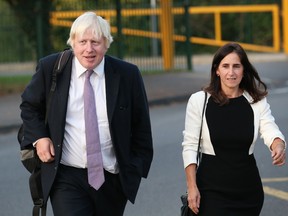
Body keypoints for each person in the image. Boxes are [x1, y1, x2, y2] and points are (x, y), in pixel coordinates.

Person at [20, 11, 153, 216]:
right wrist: (39, 137)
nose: (89, 49)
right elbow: (29, 106)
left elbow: (141, 125)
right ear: (72, 42)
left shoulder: (127, 75)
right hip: (66, 175)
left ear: (106, 44)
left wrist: (135, 168)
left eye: (95, 42)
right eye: (82, 42)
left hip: (112, 179)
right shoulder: (52, 68)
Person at [182, 42, 286, 216]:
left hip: (248, 192)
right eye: (225, 66)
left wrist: (278, 145)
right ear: (217, 70)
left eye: (236, 66)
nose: (231, 72)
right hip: (210, 191)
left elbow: (269, 129)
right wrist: (192, 188)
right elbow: (190, 146)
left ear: (243, 70)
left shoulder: (256, 101)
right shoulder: (199, 101)